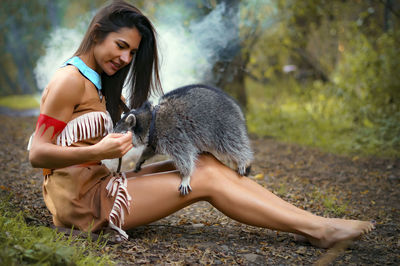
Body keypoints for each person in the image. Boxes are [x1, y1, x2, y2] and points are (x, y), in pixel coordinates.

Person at [29, 0, 374, 247]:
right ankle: (320, 230)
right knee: (204, 179)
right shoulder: (69, 81)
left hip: (104, 184)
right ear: (96, 33)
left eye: (132, 53)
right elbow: (38, 154)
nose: (125, 59)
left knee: (205, 162)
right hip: (84, 205)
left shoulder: (101, 83)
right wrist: (102, 148)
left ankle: (314, 224)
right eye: (121, 46)